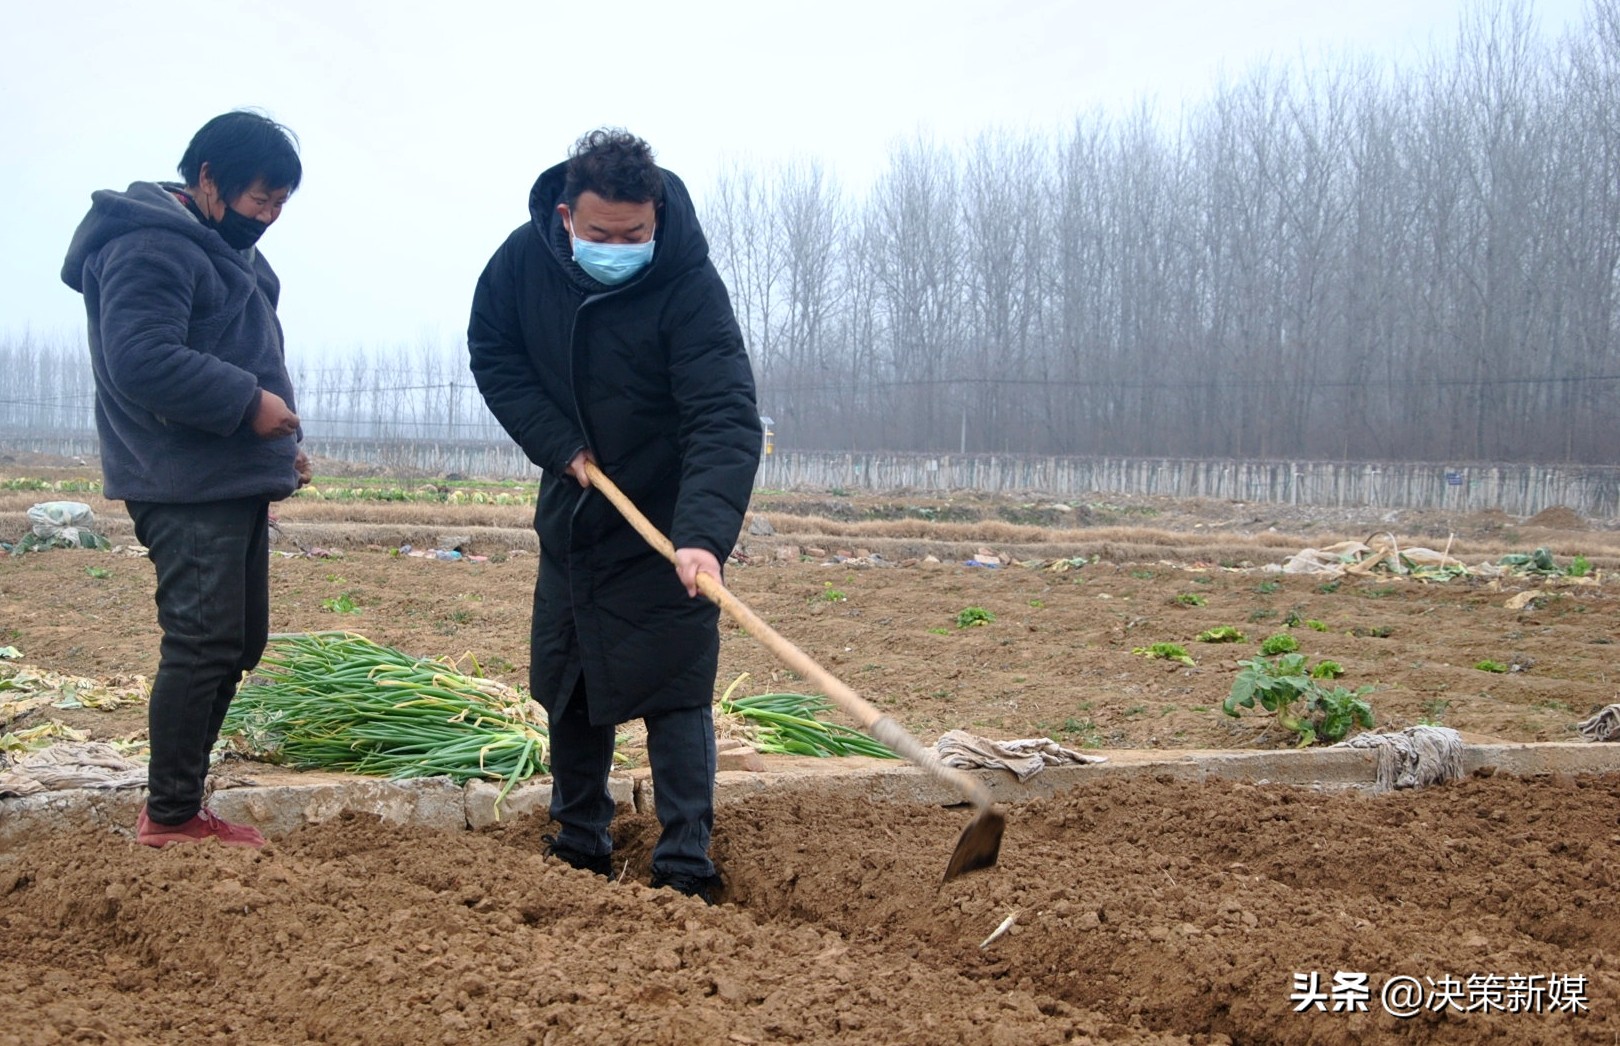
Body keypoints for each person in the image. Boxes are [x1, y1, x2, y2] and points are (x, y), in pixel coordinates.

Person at [468, 128, 761, 903]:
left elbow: (723, 414)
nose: (620, 246)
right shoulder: (522, 264)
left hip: (663, 518)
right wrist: (556, 443)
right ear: (568, 216)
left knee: (676, 683)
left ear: (656, 214)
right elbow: (493, 352)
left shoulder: (688, 284)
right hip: (576, 507)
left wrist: (702, 535)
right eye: (601, 234)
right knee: (571, 682)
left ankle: (686, 861)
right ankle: (578, 839)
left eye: (635, 234)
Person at [61, 110, 310, 848]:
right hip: (182, 481)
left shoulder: (222, 252)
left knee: (237, 643)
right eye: (259, 200)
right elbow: (141, 358)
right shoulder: (147, 245)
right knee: (202, 642)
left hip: (225, 476)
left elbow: (237, 352)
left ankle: (183, 803)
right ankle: (170, 815)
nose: (266, 218)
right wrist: (248, 405)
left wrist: (277, 447)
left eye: (279, 205)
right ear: (208, 180)